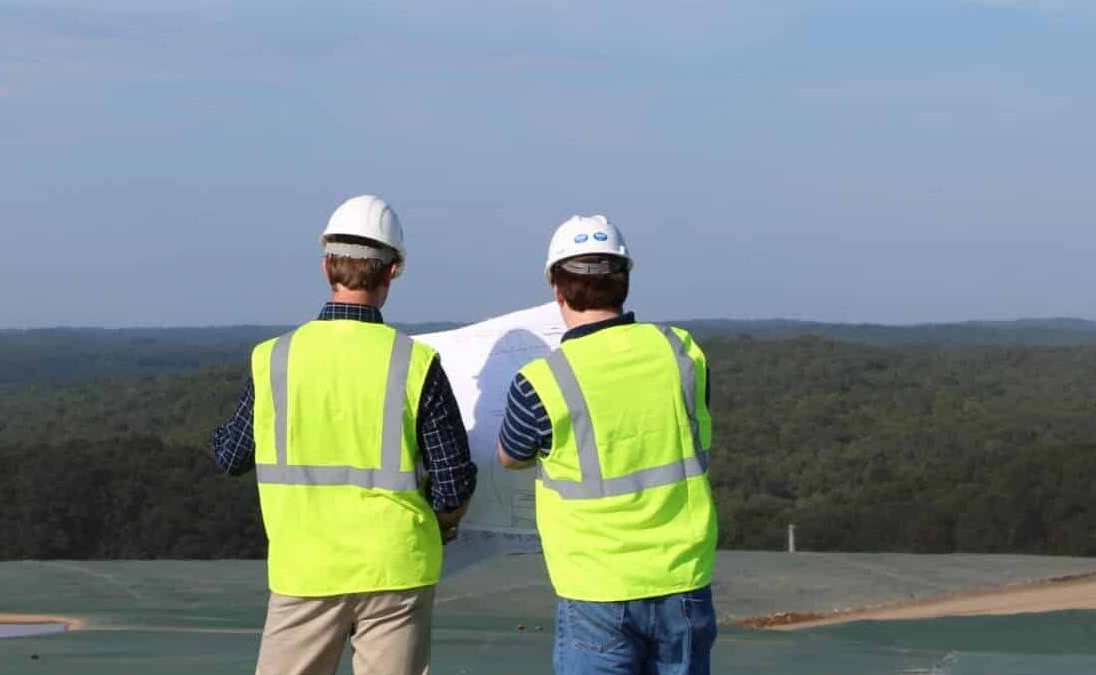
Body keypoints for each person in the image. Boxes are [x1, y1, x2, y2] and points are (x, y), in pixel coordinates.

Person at [210, 195, 477, 675]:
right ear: (392, 271)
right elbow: (454, 480)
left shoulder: (274, 358)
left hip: (305, 570)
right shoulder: (414, 363)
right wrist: (444, 524)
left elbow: (231, 455)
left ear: (326, 265)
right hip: (396, 569)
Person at [497, 215, 719, 675]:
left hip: (596, 590)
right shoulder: (681, 353)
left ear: (557, 288)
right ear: (624, 281)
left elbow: (511, 454)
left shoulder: (543, 381)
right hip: (682, 578)